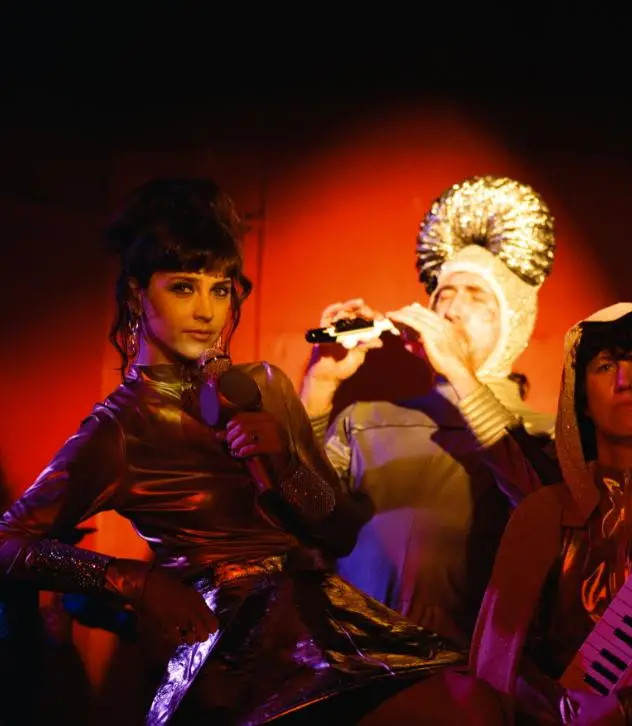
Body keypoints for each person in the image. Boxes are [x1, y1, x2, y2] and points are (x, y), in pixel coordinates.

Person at [0, 178, 464, 725]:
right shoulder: (121, 427)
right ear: (137, 295)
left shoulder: (263, 386)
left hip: (326, 622)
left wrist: (285, 462)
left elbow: (336, 531)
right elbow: (8, 543)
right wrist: (139, 582)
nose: (206, 311)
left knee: (465, 700)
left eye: (220, 290)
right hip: (231, 654)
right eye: (183, 288)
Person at [302, 176, 560, 645]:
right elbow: (298, 515)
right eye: (443, 294)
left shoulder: (546, 435)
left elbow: (543, 517)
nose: (452, 309)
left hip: (471, 674)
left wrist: (461, 373)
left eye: (476, 296)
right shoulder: (364, 421)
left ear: (515, 321)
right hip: (357, 665)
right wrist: (319, 388)